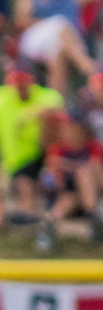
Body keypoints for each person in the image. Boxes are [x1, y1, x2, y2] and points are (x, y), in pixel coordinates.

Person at [0, 61, 64, 219]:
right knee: (24, 183)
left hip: (45, 154)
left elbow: (57, 107)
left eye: (23, 80)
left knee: (52, 120)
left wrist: (29, 115)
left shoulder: (45, 95)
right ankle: (27, 215)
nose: (19, 86)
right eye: (16, 81)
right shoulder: (3, 98)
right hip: (17, 162)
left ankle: (32, 211)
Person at [36, 112, 103, 246]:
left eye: (70, 127)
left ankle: (93, 216)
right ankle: (48, 227)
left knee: (83, 174)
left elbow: (97, 171)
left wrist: (67, 165)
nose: (66, 131)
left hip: (91, 193)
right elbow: (53, 177)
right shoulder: (57, 148)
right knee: (68, 199)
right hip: (68, 194)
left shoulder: (92, 147)